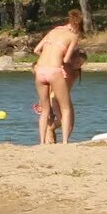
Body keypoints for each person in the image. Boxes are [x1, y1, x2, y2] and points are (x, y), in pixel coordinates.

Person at [32, 14, 79, 145]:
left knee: (45, 109)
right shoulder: (73, 36)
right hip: (54, 70)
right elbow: (65, 59)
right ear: (77, 25)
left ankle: (41, 142)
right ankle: (64, 142)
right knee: (65, 108)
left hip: (40, 69)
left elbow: (36, 50)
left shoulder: (52, 31)